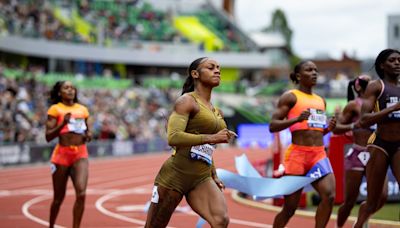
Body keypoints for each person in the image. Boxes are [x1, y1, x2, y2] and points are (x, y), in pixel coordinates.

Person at [145, 57, 236, 228]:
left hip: (201, 177)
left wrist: (214, 174)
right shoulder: (187, 101)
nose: (217, 70)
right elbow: (173, 137)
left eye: (218, 68)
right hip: (176, 175)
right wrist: (213, 137)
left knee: (221, 220)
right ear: (195, 74)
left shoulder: (217, 111)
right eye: (210, 68)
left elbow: (207, 149)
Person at [269, 60, 336, 228]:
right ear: (299, 75)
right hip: (298, 155)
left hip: (318, 155)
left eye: (316, 70)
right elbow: (272, 125)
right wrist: (296, 119)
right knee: (290, 208)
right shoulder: (290, 96)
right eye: (309, 70)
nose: (314, 73)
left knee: (329, 196)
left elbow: (316, 132)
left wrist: (328, 128)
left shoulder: (321, 100)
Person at [333, 75, 388, 227]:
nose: (372, 83)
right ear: (358, 87)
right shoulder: (353, 105)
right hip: (358, 153)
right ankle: (339, 226)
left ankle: (362, 219)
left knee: (382, 196)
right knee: (349, 202)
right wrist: (353, 126)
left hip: (376, 153)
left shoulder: (380, 102)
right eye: (367, 82)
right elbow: (336, 129)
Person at [354, 48, 400, 228]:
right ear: (382, 65)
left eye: (399, 59)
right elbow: (363, 120)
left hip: (399, 145)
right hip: (379, 144)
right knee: (373, 202)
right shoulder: (377, 86)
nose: (397, 63)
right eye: (392, 60)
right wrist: (391, 109)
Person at [45, 81, 91, 228]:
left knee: (81, 193)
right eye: (66, 88)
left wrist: (88, 135)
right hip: (62, 155)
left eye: (72, 88)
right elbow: (48, 136)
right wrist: (62, 124)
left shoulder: (83, 110)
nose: (70, 90)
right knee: (58, 198)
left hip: (80, 154)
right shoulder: (55, 109)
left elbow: (86, 131)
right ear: (60, 92)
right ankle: (51, 225)